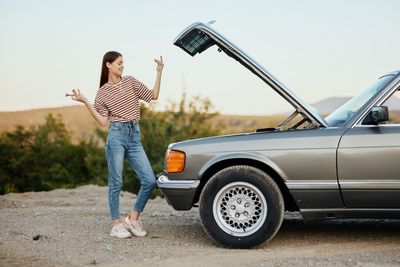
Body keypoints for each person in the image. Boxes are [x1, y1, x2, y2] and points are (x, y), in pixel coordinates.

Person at [69, 51, 164, 238]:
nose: (122, 66)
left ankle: (133, 218)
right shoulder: (102, 92)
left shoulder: (130, 81)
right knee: (116, 182)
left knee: (149, 180)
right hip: (116, 137)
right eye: (119, 63)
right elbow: (103, 122)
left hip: (134, 136)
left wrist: (159, 71)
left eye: (123, 63)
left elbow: (153, 95)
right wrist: (85, 101)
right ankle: (116, 224)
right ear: (108, 65)